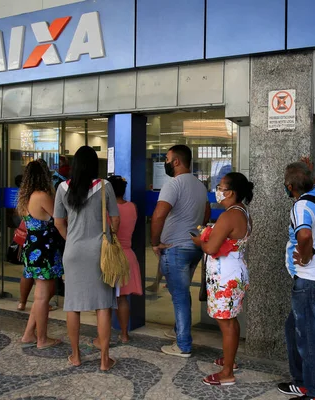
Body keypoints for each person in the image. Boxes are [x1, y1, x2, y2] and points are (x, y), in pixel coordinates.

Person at [54, 146, 119, 371]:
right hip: (98, 253)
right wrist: (109, 236)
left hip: (72, 252)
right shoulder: (105, 186)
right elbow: (115, 220)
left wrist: (71, 238)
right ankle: (104, 360)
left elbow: (58, 222)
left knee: (73, 305)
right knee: (103, 305)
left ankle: (76, 356)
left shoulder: (62, 188)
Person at [277, 162, 315, 400]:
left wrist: (303, 256)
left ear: (290, 186)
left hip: (312, 282)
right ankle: (302, 381)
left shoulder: (301, 206)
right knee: (294, 329)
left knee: (311, 339)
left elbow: (304, 235)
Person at [192, 172, 253, 386]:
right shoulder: (243, 212)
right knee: (231, 321)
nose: (218, 191)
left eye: (220, 187)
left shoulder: (229, 216)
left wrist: (199, 241)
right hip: (235, 272)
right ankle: (230, 361)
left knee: (226, 323)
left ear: (231, 192)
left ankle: (227, 373)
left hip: (225, 277)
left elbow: (211, 247)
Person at [151, 145, 210, 357]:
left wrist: (155, 242)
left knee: (180, 296)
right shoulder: (199, 185)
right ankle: (179, 329)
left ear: (176, 161)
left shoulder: (173, 184)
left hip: (175, 248)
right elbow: (207, 212)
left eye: (167, 159)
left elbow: (158, 215)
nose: (165, 162)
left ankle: (183, 344)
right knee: (182, 292)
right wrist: (194, 231)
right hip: (193, 246)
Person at [18, 161, 65, 350]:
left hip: (33, 249)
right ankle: (42, 339)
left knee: (41, 295)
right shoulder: (42, 196)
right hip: (44, 251)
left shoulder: (25, 197)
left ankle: (29, 334)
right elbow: (60, 217)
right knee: (42, 297)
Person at [108, 175, 143, 343]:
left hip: (109, 256)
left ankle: (104, 334)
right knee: (122, 298)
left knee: (106, 298)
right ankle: (124, 334)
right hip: (128, 255)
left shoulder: (107, 210)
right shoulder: (133, 207)